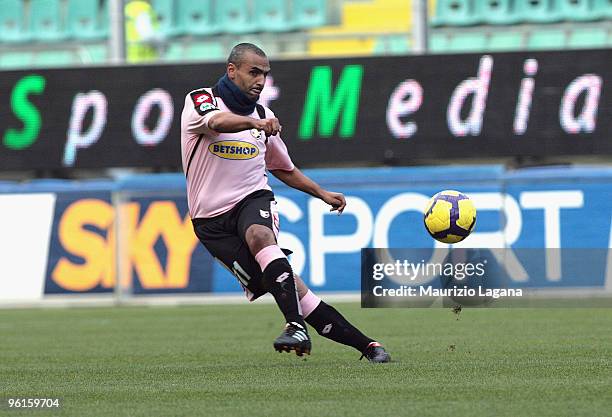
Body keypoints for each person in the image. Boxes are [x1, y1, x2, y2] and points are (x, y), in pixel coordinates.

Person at [180, 43, 390, 363]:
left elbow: (283, 168)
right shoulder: (201, 99)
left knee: (259, 235)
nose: (261, 80)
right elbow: (216, 123)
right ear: (232, 70)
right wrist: (253, 124)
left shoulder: (265, 117)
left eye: (265, 74)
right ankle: (369, 346)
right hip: (210, 223)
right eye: (254, 72)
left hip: (252, 199)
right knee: (295, 291)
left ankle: (295, 327)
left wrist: (321, 193)